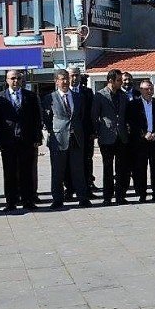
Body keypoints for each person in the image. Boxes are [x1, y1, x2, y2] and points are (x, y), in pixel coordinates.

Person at [0, 70, 43, 211]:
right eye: (13, 78)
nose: (16, 81)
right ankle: (11, 202)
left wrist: (37, 137)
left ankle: (28, 201)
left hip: (26, 140)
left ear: (22, 80)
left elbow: (36, 118)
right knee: (9, 173)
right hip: (8, 141)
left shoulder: (31, 96)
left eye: (18, 78)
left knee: (27, 172)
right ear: (7, 80)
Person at [42, 70, 90, 209]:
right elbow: (47, 118)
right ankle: (58, 199)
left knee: (78, 170)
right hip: (58, 139)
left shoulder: (78, 97)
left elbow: (81, 116)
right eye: (62, 79)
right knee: (58, 171)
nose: (65, 82)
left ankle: (83, 198)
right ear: (56, 81)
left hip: (76, 137)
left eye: (67, 79)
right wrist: (56, 130)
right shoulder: (49, 98)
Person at [93, 69, 131, 204]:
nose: (121, 82)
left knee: (121, 168)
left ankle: (120, 196)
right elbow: (94, 116)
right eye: (119, 80)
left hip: (121, 137)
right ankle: (107, 197)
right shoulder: (99, 95)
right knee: (107, 168)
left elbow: (126, 115)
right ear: (111, 81)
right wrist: (98, 132)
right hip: (106, 137)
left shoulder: (123, 96)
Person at [127, 79, 155, 202]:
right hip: (140, 142)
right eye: (146, 89)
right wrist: (144, 134)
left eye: (151, 88)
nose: (149, 91)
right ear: (141, 90)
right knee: (140, 168)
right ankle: (142, 194)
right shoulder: (134, 105)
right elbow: (132, 123)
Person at [68, 66, 96, 197]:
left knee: (86, 160)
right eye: (72, 75)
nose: (74, 78)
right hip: (68, 134)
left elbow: (93, 113)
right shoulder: (62, 93)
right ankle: (69, 189)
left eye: (77, 75)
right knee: (68, 162)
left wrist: (93, 131)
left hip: (85, 133)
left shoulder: (88, 92)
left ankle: (87, 188)